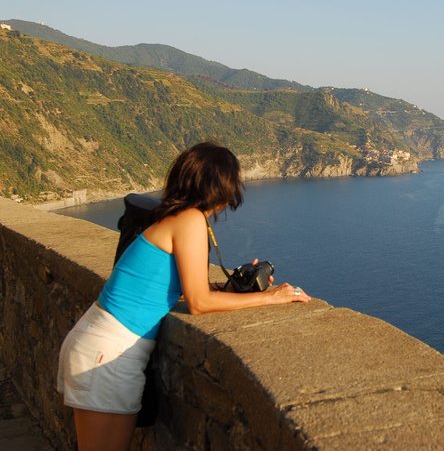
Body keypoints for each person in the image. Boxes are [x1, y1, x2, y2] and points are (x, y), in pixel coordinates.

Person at [57, 141, 310, 450]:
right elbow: (199, 303)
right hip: (108, 353)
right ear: (221, 188)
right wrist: (271, 298)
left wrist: (227, 289)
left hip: (99, 341)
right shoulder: (190, 220)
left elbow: (170, 288)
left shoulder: (170, 216)